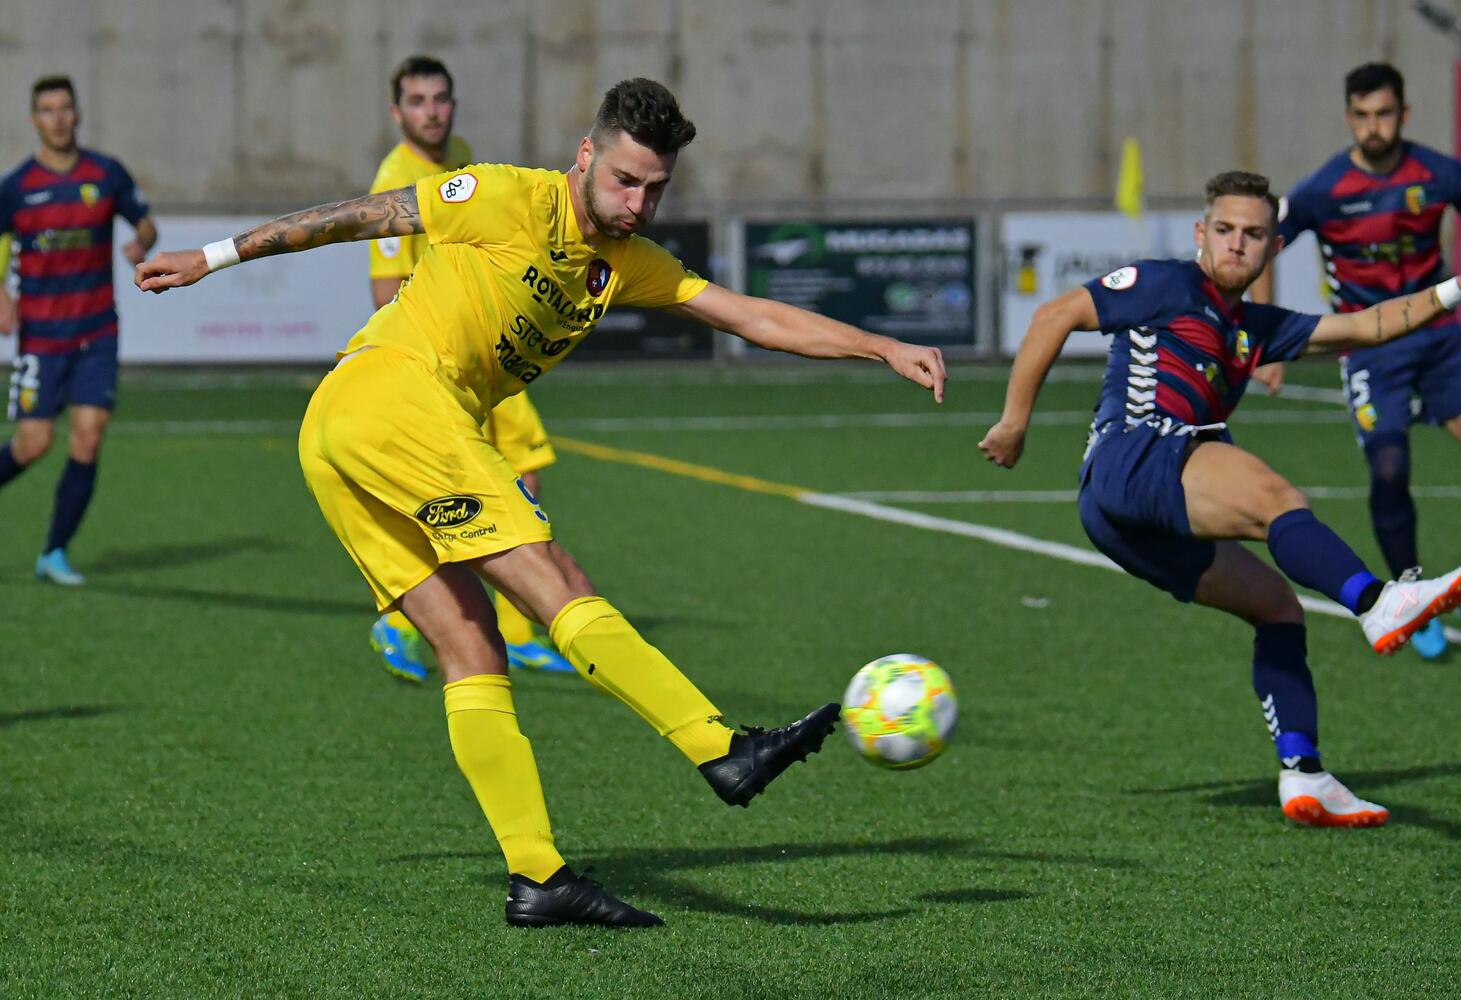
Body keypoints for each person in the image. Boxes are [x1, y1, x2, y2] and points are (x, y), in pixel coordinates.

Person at [135, 78, 947, 927]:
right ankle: (721, 749)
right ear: (585, 155)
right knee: (552, 576)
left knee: (471, 643)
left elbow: (750, 317)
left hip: (342, 433)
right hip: (392, 396)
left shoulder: (626, 264)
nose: (638, 204)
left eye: (656, 189)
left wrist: (879, 345)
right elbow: (359, 217)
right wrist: (213, 259)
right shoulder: (502, 195)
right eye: (625, 180)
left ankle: (538, 876)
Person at [980, 170, 1461, 829]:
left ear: (1273, 249)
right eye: (1224, 229)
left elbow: (1367, 326)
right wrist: (1014, 422)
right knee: (1277, 496)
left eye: (1253, 234)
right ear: (1201, 233)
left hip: (1119, 515)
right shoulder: (1166, 284)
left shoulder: (1255, 325)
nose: (1236, 244)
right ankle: (1377, 602)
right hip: (1135, 454)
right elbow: (1054, 315)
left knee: (1277, 608)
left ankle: (1305, 773)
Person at [1254, 63, 1461, 658]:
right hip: (1369, 345)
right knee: (1389, 470)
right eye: (1362, 115)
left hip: (1440, 336)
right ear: (1349, 118)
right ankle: (1413, 596)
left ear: (1403, 114)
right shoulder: (1321, 190)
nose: (1374, 126)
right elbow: (1263, 249)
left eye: (1384, 113)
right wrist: (1265, 342)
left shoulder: (1440, 173)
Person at [364, 55, 572, 680]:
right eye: (418, 101)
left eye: (440, 99)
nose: (432, 112)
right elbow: (384, 288)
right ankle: (400, 619)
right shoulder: (394, 181)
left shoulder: (461, 157)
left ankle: (519, 630)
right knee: (453, 501)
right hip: (441, 362)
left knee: (524, 479)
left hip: (491, 354)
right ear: (397, 113)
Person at [0, 75, 156, 584]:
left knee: (88, 438)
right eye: (47, 110)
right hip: (41, 337)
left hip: (96, 332)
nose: (58, 118)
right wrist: (2, 295)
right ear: (34, 119)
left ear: (77, 113)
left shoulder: (104, 173)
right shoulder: (17, 187)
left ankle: (54, 553)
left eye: (65, 107)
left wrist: (142, 242)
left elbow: (145, 221)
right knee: (33, 443)